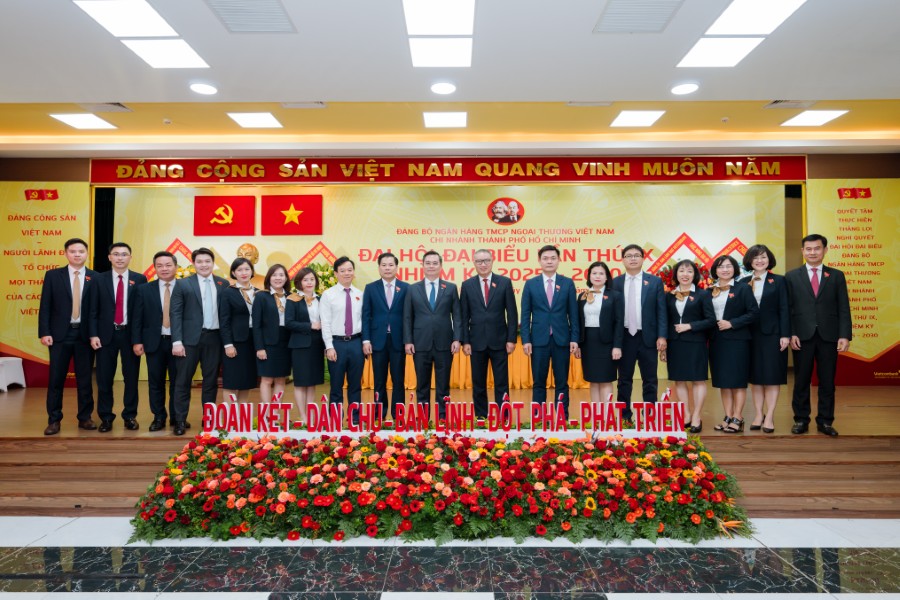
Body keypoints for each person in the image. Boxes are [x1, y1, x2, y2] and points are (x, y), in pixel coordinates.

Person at [785, 234, 852, 437]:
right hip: (802, 336)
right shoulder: (791, 276)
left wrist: (844, 335)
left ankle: (825, 421)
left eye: (817, 248)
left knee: (827, 382)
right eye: (808, 249)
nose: (812, 252)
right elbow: (788, 309)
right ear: (802, 251)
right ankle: (801, 419)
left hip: (829, 336)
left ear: (825, 250)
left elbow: (843, 307)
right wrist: (791, 333)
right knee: (801, 380)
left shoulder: (837, 276)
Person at [38, 237, 97, 436]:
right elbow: (45, 306)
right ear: (65, 253)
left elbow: (97, 310)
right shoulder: (53, 276)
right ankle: (54, 420)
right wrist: (45, 332)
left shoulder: (95, 277)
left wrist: (95, 334)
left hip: (85, 335)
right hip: (59, 335)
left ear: (87, 254)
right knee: (56, 379)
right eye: (73, 251)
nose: (77, 254)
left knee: (85, 379)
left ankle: (85, 417)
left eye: (81, 251)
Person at [88, 242, 147, 432]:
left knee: (131, 379)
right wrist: (93, 334)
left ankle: (130, 416)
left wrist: (139, 339)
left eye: (124, 254)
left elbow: (141, 312)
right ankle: (106, 417)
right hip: (105, 336)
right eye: (116, 254)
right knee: (104, 379)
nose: (120, 258)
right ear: (109, 257)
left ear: (130, 257)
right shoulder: (98, 279)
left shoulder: (140, 279)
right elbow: (92, 310)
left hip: (130, 336)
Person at [170, 247, 229, 436]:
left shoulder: (223, 283)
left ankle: (208, 420)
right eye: (200, 261)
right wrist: (177, 341)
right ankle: (180, 420)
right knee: (183, 381)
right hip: (188, 341)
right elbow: (175, 313)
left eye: (207, 261)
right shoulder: (183, 284)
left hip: (214, 339)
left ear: (213, 263)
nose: (204, 265)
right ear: (194, 264)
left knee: (210, 381)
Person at [520, 245, 579, 415]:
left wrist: (574, 338)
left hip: (562, 340)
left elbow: (573, 314)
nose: (549, 261)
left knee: (562, 382)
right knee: (538, 382)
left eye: (553, 258)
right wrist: (526, 340)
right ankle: (538, 418)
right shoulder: (531, 284)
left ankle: (562, 417)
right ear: (539, 261)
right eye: (545, 258)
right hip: (538, 341)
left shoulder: (567, 283)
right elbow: (525, 315)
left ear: (559, 260)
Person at [611, 244, 667, 421]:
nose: (633, 258)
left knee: (650, 379)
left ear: (643, 258)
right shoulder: (615, 282)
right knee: (624, 380)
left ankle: (649, 416)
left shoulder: (655, 282)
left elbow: (661, 311)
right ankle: (624, 417)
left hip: (647, 337)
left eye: (637, 255)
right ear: (623, 260)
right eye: (629, 256)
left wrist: (662, 336)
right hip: (624, 337)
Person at [403, 250, 461, 421]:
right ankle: (423, 419)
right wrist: (408, 341)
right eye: (428, 263)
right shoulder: (412, 289)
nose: (431, 266)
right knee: (422, 385)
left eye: (435, 263)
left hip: (445, 344)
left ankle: (443, 418)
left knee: (443, 385)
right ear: (422, 265)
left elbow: (457, 316)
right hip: (420, 344)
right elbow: (407, 317)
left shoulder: (450, 288)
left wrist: (457, 338)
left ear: (441, 266)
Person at [459, 249, 518, 418]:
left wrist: (511, 339)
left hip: (500, 341)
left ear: (492, 261)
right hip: (476, 342)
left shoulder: (504, 282)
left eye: (486, 260)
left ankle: (504, 417)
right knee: (478, 384)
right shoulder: (467, 285)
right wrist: (465, 341)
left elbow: (512, 314)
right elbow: (464, 316)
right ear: (474, 263)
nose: (483, 264)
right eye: (479, 261)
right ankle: (481, 417)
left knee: (502, 383)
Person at [740, 245, 790, 434]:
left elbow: (785, 308)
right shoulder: (743, 282)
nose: (759, 261)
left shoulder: (779, 281)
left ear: (769, 260)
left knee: (771, 376)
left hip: (773, 335)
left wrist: (785, 334)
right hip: (749, 335)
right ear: (749, 261)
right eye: (755, 258)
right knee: (756, 378)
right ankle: (758, 414)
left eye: (763, 257)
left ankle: (769, 416)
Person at [707, 255, 759, 433]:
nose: (725, 270)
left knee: (737, 381)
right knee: (724, 381)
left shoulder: (743, 288)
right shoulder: (710, 290)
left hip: (738, 340)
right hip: (717, 341)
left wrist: (732, 323)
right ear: (715, 270)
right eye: (721, 267)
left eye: (728, 266)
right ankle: (728, 416)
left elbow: (753, 313)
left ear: (734, 269)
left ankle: (738, 417)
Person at [663, 259, 715, 433]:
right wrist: (663, 344)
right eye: (681, 271)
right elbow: (665, 321)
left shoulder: (703, 294)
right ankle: (685, 414)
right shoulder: (669, 295)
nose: (685, 274)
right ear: (675, 274)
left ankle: (696, 415)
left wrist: (690, 326)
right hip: (675, 343)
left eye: (689, 271)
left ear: (695, 275)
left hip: (696, 342)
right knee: (679, 379)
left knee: (698, 379)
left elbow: (711, 320)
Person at [132, 251, 179, 431]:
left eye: (168, 265)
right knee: (155, 382)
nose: (164, 269)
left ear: (175, 267)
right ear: (155, 268)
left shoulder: (185, 287)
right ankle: (159, 417)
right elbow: (137, 317)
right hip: (154, 342)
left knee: (178, 383)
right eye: (159, 266)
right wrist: (137, 341)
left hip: (178, 343)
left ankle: (177, 417)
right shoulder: (144, 289)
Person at [362, 252, 408, 420]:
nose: (387, 268)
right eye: (384, 265)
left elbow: (409, 316)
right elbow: (366, 315)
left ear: (396, 267)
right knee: (379, 381)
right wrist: (366, 339)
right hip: (377, 341)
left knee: (398, 380)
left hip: (398, 341)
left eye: (390, 265)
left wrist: (408, 340)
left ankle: (398, 415)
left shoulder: (406, 288)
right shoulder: (370, 288)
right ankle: (378, 415)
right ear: (379, 267)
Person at [320, 256, 365, 426]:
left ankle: (355, 418)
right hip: (336, 344)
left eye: (350, 270)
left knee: (355, 385)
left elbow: (364, 321)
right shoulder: (328, 295)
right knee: (336, 385)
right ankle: (335, 418)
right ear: (336, 274)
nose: (347, 273)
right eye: (343, 270)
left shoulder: (360, 294)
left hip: (356, 343)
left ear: (354, 272)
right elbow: (325, 322)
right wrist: (329, 346)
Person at [575, 261, 623, 414]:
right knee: (593, 380)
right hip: (588, 342)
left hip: (607, 343)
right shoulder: (582, 296)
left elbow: (619, 322)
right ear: (589, 276)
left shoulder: (615, 296)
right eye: (594, 273)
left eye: (601, 273)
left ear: (606, 277)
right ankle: (597, 416)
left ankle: (608, 416)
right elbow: (578, 321)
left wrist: (617, 346)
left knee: (606, 379)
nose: (597, 276)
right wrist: (579, 345)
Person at [285, 267, 325, 421]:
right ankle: (303, 416)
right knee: (301, 382)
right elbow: (289, 323)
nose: (309, 282)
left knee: (312, 382)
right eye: (305, 280)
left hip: (317, 344)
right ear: (299, 282)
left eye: (312, 279)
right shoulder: (293, 299)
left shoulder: (320, 299)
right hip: (300, 345)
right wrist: (310, 325)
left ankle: (311, 415)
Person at [219, 257, 259, 403]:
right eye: (239, 270)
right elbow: (224, 321)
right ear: (233, 273)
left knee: (246, 381)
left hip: (253, 341)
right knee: (231, 381)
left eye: (247, 269)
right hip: (235, 342)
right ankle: (231, 415)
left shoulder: (259, 293)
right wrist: (228, 344)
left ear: (252, 271)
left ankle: (242, 414)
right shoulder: (228, 292)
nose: (244, 273)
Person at [253, 264, 292, 404]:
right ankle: (266, 412)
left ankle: (275, 412)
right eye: (274, 275)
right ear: (269, 278)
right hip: (268, 343)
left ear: (286, 278)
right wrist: (259, 347)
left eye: (281, 275)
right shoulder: (261, 296)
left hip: (286, 343)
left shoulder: (292, 297)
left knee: (281, 379)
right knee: (267, 379)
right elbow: (256, 324)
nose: (278, 278)